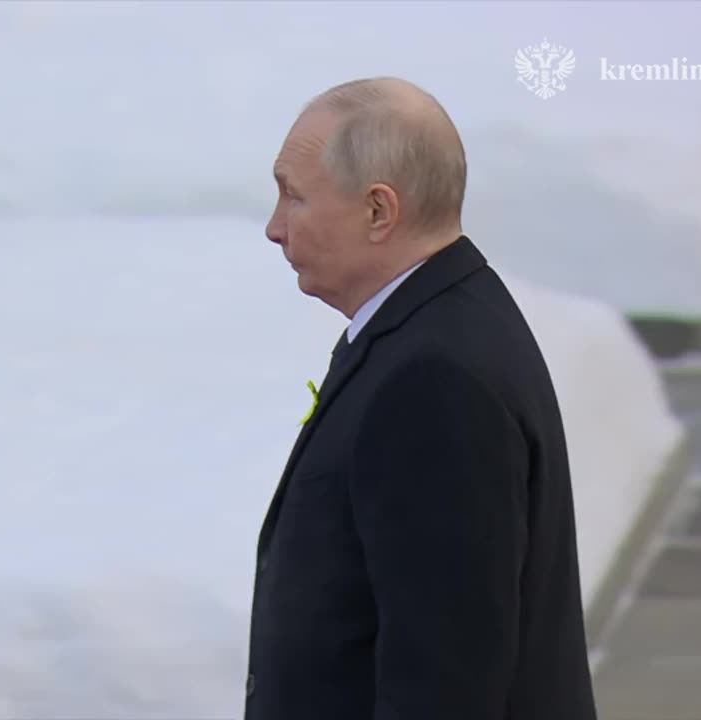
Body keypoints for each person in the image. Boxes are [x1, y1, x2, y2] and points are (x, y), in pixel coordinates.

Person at [243, 76, 598, 720]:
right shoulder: (431, 325)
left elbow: (444, 673)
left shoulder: (434, 379)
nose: (273, 228)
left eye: (294, 197)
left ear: (379, 211)